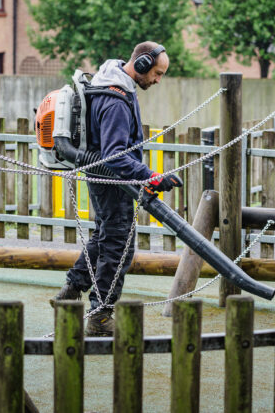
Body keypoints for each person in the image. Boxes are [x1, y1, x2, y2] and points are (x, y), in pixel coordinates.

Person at [50, 41, 182, 336]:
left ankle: (70, 291)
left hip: (104, 176)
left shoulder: (112, 81)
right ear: (143, 64)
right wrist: (151, 176)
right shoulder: (115, 101)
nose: (158, 80)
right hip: (111, 178)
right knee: (120, 243)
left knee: (107, 234)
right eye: (157, 73)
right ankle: (100, 316)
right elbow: (115, 155)